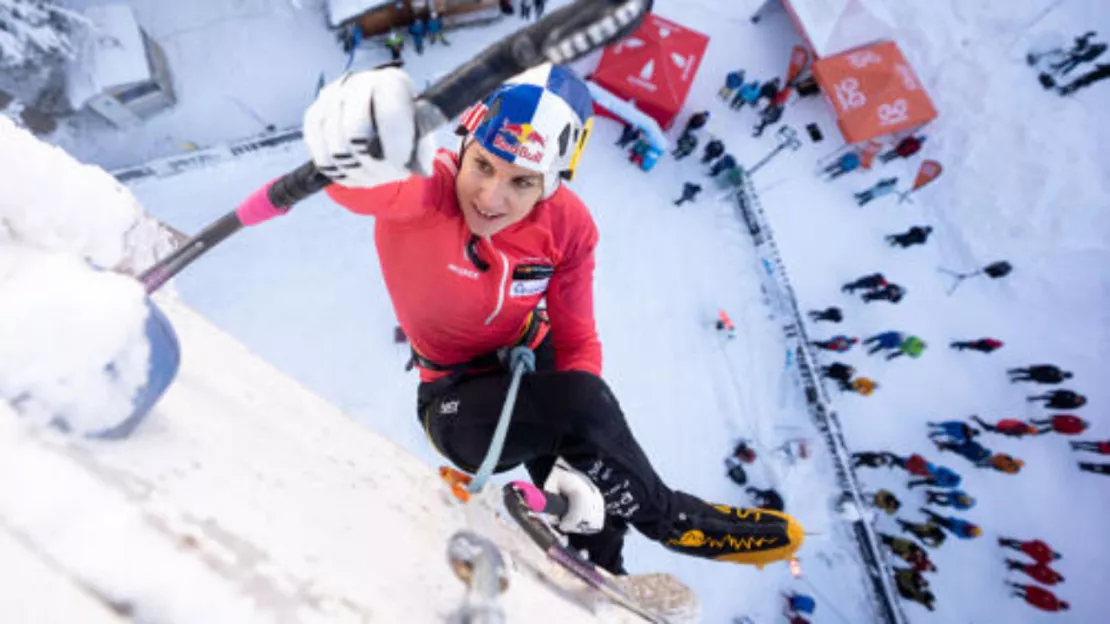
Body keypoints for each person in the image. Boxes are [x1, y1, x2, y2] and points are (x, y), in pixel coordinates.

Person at [284, 63, 804, 574]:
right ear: (464, 145)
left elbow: (577, 341)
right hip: (454, 402)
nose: (491, 197)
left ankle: (603, 564)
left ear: (551, 183)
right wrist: (349, 128)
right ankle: (671, 521)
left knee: (587, 440)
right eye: (483, 165)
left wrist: (583, 445)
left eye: (522, 182)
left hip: (530, 361)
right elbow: (354, 185)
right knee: (581, 407)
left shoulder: (568, 226)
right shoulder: (428, 190)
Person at [969, 415, 1038, 438]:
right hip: (1002, 428)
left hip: (1002, 428)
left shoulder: (1024, 427)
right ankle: (975, 418)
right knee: (987, 428)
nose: (1030, 434)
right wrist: (1003, 431)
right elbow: (1012, 430)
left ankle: (976, 421)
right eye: (1031, 433)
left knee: (988, 428)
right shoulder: (1023, 430)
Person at [1007, 364, 1072, 384]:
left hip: (1038, 378)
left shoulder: (1058, 380)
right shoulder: (1055, 369)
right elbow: (1044, 366)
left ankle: (1016, 379)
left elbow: (1049, 382)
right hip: (1036, 371)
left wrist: (1041, 381)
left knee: (1025, 379)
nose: (1062, 375)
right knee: (1023, 370)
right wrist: (1035, 366)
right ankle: (1012, 371)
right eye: (1063, 373)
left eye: (1064, 376)